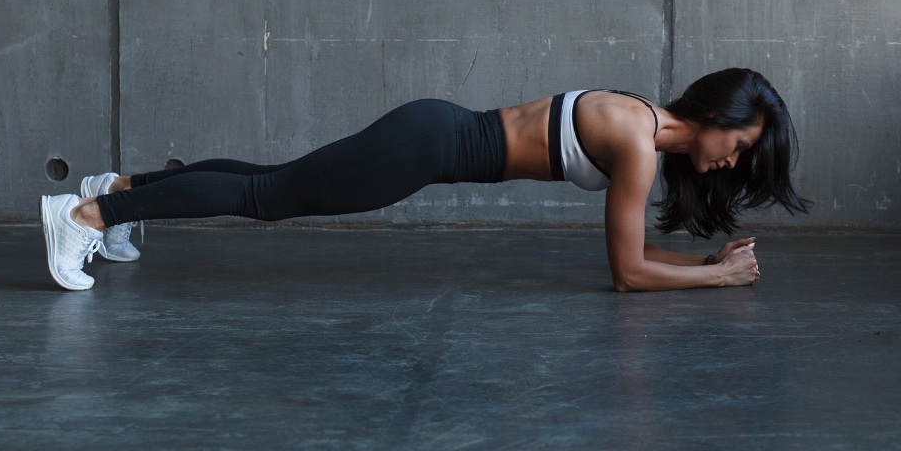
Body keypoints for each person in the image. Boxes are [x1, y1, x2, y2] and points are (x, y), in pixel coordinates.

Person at [40, 67, 810, 292]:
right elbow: (627, 271)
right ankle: (85, 218)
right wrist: (716, 278)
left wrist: (705, 264)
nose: (732, 161)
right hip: (424, 147)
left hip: (431, 133)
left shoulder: (641, 117)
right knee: (266, 199)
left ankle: (122, 187)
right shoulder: (639, 143)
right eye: (738, 144)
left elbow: (637, 258)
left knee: (272, 184)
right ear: (711, 114)